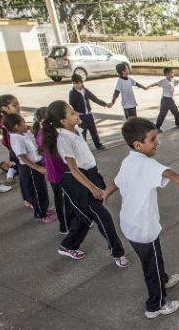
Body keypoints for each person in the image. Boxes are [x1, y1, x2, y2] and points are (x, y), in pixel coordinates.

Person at [103, 117, 179, 318]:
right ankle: (156, 305)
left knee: (153, 257)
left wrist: (105, 193)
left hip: (130, 224)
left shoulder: (129, 160)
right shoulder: (147, 164)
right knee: (150, 266)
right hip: (143, 228)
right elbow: (172, 174)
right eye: (153, 139)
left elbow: (117, 182)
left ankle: (162, 279)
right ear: (138, 145)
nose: (157, 143)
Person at [41, 101, 128, 267]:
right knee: (103, 217)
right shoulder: (64, 140)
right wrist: (92, 187)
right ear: (62, 121)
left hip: (90, 175)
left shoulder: (76, 131)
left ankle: (67, 245)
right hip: (79, 181)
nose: (77, 114)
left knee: (85, 217)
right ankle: (118, 253)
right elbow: (73, 169)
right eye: (72, 113)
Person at [3, 113, 56, 223]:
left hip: (36, 165)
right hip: (30, 168)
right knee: (37, 192)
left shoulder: (23, 133)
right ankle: (40, 214)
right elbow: (22, 156)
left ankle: (44, 209)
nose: (25, 124)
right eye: (23, 122)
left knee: (42, 189)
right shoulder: (16, 138)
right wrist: (37, 168)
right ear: (16, 126)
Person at [34, 106, 72, 234]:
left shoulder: (54, 132)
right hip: (57, 174)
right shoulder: (44, 135)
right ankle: (64, 225)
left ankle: (74, 221)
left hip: (64, 171)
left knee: (70, 197)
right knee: (61, 200)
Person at [146, 67, 179, 133]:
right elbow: (155, 84)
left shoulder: (173, 80)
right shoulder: (163, 81)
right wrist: (147, 87)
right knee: (162, 114)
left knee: (176, 112)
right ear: (167, 74)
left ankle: (178, 124)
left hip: (170, 100)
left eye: (173, 72)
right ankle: (157, 128)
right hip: (165, 100)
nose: (173, 73)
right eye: (172, 72)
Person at [69, 74, 108, 150]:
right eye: (74, 83)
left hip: (89, 115)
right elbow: (71, 105)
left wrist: (105, 104)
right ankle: (83, 148)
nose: (76, 85)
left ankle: (98, 145)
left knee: (93, 131)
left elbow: (94, 99)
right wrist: (75, 116)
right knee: (83, 133)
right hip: (81, 116)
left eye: (77, 83)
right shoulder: (72, 93)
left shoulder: (85, 90)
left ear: (81, 82)